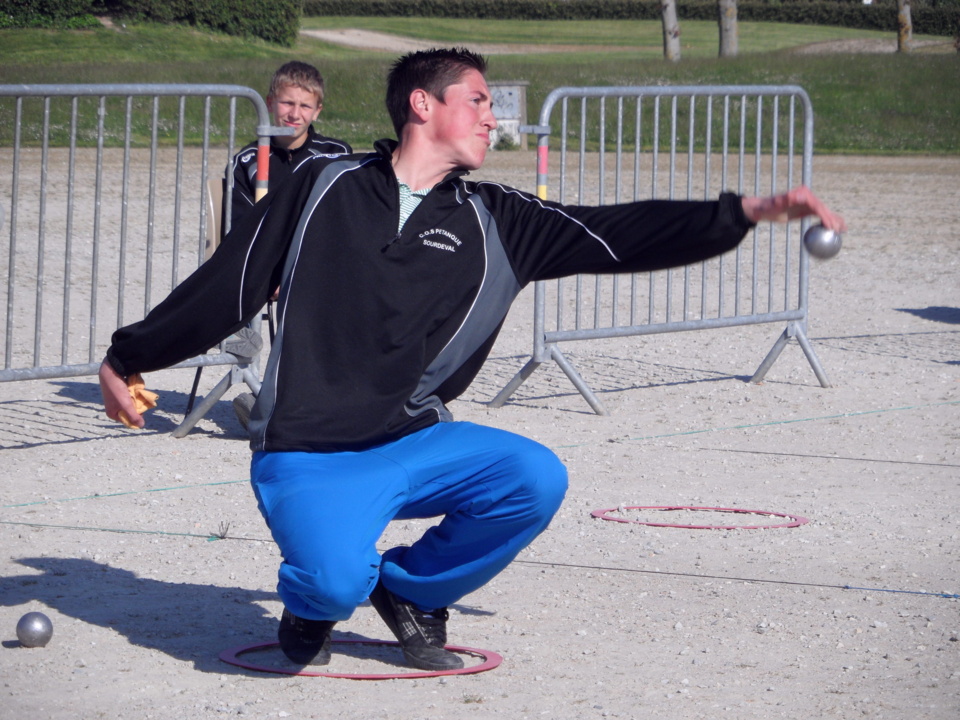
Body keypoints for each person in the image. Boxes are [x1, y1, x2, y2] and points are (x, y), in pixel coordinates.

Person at [99, 48, 846, 672]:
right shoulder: (320, 187)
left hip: (416, 439)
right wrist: (126, 356)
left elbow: (619, 234)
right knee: (331, 582)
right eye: (479, 100)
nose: (495, 115)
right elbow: (224, 286)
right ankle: (314, 604)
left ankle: (416, 591)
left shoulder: (501, 220)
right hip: (307, 451)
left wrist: (739, 214)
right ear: (422, 106)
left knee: (533, 477)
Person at [225, 60, 352, 428]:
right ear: (269, 102)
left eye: (305, 106)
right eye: (287, 103)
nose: (295, 113)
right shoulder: (248, 161)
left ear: (318, 111)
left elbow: (345, 219)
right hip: (273, 268)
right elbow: (242, 230)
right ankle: (272, 404)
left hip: (326, 261)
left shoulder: (337, 153)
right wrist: (275, 270)